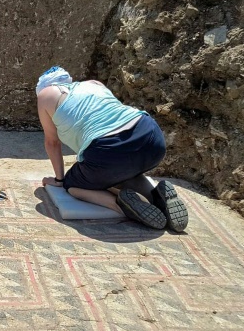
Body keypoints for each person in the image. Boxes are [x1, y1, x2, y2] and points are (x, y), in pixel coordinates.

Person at [36, 66, 188, 231]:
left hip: (108, 150)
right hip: (151, 137)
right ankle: (157, 196)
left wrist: (59, 180)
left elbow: (52, 142)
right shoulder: (94, 84)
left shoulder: (45, 95)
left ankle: (122, 205)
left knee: (73, 185)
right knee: (120, 168)